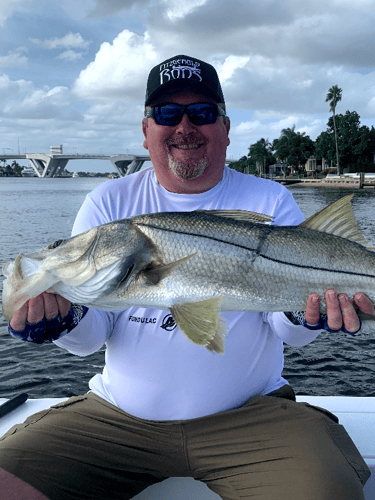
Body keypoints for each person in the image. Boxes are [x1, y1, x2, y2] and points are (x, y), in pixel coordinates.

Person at [0, 54, 373, 500]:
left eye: (201, 113)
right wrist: (62, 320)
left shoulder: (268, 198)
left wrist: (306, 312)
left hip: (252, 419)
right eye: (166, 113)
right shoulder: (108, 201)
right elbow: (89, 339)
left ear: (226, 128)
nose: (184, 126)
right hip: (117, 420)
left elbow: (286, 331)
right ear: (145, 131)